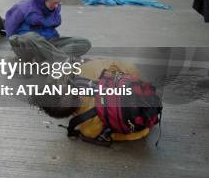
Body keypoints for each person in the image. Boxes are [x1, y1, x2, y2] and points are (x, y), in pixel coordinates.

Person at [33, 59, 161, 143]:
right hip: (140, 85)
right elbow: (121, 65)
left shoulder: (88, 128)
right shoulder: (84, 69)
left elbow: (136, 134)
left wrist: (144, 129)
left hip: (143, 124)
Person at [5, 0, 91, 63]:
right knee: (29, 37)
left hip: (48, 44)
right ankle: (61, 60)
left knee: (84, 43)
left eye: (58, 3)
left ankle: (46, 60)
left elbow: (52, 26)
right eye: (54, 3)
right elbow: (10, 30)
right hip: (29, 46)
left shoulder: (54, 8)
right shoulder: (22, 8)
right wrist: (18, 45)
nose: (56, 6)